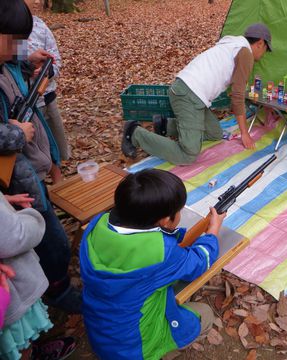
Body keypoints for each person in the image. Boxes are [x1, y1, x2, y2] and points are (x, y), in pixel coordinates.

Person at [80, 169, 226, 359]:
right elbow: (199, 261)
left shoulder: (97, 225)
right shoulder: (162, 252)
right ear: (165, 221)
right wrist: (212, 232)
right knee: (205, 314)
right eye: (178, 211)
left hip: (101, 334)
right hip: (136, 349)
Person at [0, 0, 81, 313]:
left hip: (26, 170)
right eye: (13, 42)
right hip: (15, 182)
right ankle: (58, 292)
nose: (16, 48)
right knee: (51, 242)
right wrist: (17, 134)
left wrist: (26, 57)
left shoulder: (7, 59)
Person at [122, 23, 272, 164]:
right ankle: (135, 133)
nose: (264, 53)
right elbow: (238, 97)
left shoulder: (233, 43)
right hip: (188, 95)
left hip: (190, 91)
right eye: (266, 48)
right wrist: (244, 133)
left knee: (215, 133)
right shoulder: (246, 53)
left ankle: (164, 126)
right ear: (260, 43)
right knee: (189, 154)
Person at [0, 192, 76, 360]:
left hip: (11, 286)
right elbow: (14, 236)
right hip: (10, 291)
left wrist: (3, 201)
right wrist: (33, 218)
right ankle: (28, 354)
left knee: (19, 340)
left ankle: (32, 351)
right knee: (16, 341)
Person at [27, 5, 70, 183]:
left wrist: (48, 71)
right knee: (34, 145)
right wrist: (27, 66)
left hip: (47, 97)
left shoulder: (39, 26)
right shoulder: (6, 35)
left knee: (54, 139)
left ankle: (57, 173)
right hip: (24, 103)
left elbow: (55, 60)